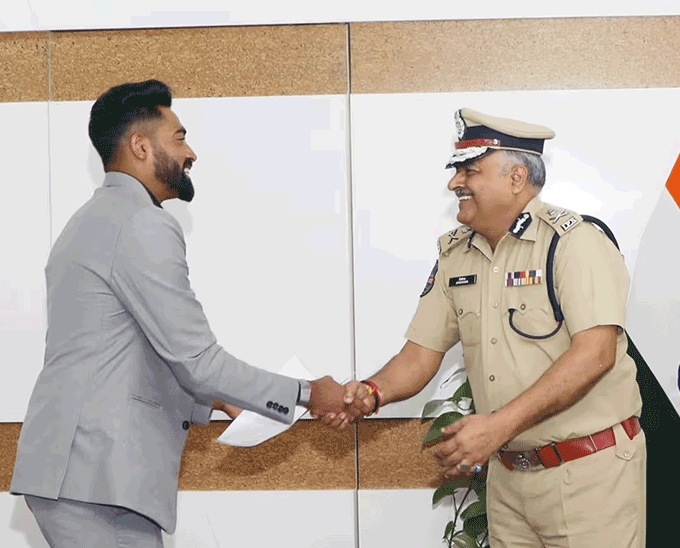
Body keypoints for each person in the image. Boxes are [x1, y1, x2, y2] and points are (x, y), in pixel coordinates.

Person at [11, 79, 351, 548]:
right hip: (96, 480)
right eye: (180, 137)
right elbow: (198, 360)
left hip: (79, 475)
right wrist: (309, 393)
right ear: (141, 147)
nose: (191, 153)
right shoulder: (142, 223)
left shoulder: (89, 221)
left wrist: (215, 399)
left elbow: (118, 352)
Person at [327, 108, 646, 547]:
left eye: (469, 170)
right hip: (510, 480)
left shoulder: (574, 243)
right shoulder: (457, 255)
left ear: (516, 177)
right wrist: (372, 392)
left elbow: (595, 354)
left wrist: (496, 427)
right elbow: (420, 355)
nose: (455, 183)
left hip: (588, 476)